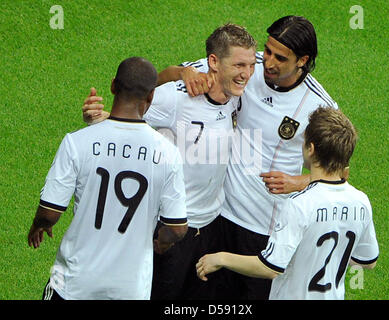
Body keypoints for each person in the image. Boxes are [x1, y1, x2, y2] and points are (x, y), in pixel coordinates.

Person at [158, 15, 342, 299]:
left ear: (302, 61)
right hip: (217, 216)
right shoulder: (247, 65)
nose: (268, 62)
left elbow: (339, 174)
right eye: (268, 51)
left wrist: (297, 182)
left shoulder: (318, 105)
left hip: (263, 229)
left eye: (280, 58)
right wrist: (182, 74)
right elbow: (168, 75)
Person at [82, 24, 257, 299]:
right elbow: (132, 113)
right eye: (238, 65)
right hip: (174, 228)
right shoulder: (177, 98)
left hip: (213, 225)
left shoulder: (236, 95)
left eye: (250, 64)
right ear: (213, 62)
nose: (246, 73)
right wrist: (99, 117)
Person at [27, 57, 188, 300]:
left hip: (74, 283)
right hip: (131, 288)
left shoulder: (77, 142)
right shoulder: (167, 153)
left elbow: (50, 212)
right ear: (151, 97)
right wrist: (161, 242)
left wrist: (40, 224)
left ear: (113, 86)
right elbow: (176, 228)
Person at [196, 106, 379, 300]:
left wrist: (221, 258)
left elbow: (269, 267)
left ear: (311, 149)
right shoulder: (361, 202)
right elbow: (368, 261)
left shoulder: (299, 205)